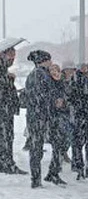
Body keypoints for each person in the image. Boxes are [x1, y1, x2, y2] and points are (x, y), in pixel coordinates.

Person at [24, 50, 64, 188]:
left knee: (43, 146)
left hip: (41, 116)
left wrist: (58, 81)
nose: (51, 62)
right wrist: (54, 100)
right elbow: (40, 96)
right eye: (49, 60)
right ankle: (38, 179)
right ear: (43, 61)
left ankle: (43, 176)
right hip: (40, 116)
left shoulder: (43, 74)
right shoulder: (38, 74)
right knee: (38, 147)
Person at [0, 46, 25, 174]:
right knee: (6, 137)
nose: (13, 59)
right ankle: (7, 163)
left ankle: (6, 162)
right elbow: (4, 91)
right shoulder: (2, 71)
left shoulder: (4, 70)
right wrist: (9, 80)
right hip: (3, 110)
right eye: (10, 55)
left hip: (6, 110)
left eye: (14, 56)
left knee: (7, 137)